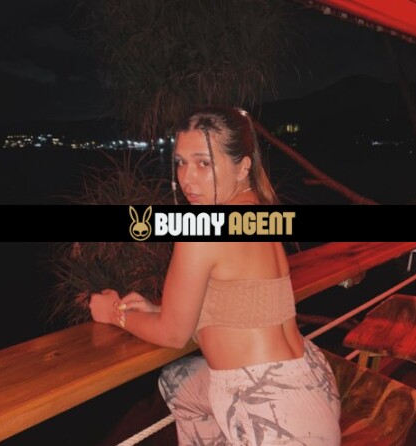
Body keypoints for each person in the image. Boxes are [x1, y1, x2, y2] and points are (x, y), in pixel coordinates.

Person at [90, 106, 341, 445]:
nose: (187, 178)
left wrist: (114, 312)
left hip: (275, 419)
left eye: (203, 163)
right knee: (177, 379)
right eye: (181, 162)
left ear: (243, 167)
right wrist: (163, 309)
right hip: (310, 384)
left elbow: (173, 335)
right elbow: (241, 304)